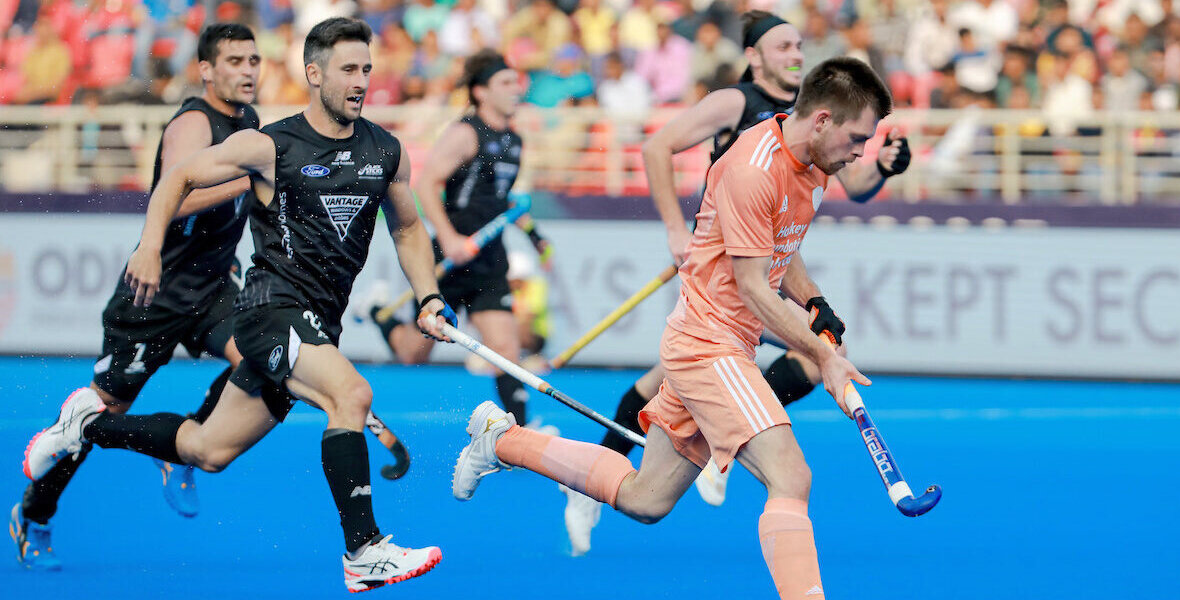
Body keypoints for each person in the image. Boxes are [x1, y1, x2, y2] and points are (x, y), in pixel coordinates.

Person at [21, 18, 453, 593]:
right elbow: (177, 179)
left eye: (367, 70)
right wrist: (149, 245)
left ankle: (90, 425)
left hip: (298, 316)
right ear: (314, 73)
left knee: (208, 450)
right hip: (265, 309)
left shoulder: (385, 150)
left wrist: (428, 296)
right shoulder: (267, 144)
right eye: (348, 69)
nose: (360, 81)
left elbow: (408, 230)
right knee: (351, 395)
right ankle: (364, 551)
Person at [454, 57, 892, 600]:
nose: (860, 153)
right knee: (792, 477)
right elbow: (755, 288)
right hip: (711, 345)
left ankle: (502, 439)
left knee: (646, 499)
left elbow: (783, 243)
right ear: (822, 120)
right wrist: (822, 355)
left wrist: (814, 301)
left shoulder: (813, 165)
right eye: (858, 138)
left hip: (721, 341)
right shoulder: (753, 167)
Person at [563, 10, 912, 555]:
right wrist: (675, 230)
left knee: (810, 359)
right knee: (669, 378)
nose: (795, 54)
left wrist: (884, 167)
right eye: (782, 46)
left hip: (760, 277)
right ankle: (602, 473)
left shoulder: (813, 126)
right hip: (723, 276)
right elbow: (657, 148)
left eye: (799, 45)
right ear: (754, 55)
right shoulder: (735, 103)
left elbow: (850, 185)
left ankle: (722, 433)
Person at [10, 23, 262, 571]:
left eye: (253, 60)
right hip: (156, 296)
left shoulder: (251, 123)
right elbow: (176, 196)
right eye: (235, 61)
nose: (247, 71)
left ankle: (182, 446)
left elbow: (244, 208)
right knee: (104, 410)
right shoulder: (194, 123)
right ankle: (34, 511)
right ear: (206, 70)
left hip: (212, 290)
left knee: (260, 359)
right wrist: (253, 179)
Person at [357, 49, 552, 428]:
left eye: (516, 82)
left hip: (489, 258)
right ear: (481, 91)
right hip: (450, 258)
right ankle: (380, 312)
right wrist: (448, 238)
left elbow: (501, 200)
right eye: (505, 83)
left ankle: (524, 431)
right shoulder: (465, 133)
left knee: (505, 347)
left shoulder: (515, 140)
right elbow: (427, 185)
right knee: (413, 353)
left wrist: (535, 236)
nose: (516, 89)